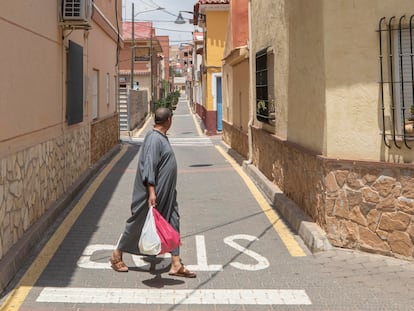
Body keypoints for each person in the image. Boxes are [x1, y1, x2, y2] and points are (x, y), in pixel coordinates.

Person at [110, 107, 196, 278]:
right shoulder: (154, 139)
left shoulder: (159, 137)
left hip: (167, 193)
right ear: (169, 121)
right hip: (152, 194)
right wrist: (151, 192)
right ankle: (116, 255)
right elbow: (149, 166)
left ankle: (176, 263)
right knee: (139, 223)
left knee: (173, 221)